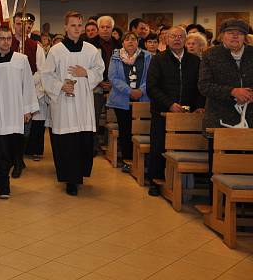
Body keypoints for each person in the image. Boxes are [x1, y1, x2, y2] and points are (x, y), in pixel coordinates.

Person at [41, 11, 104, 196]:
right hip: (64, 104)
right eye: (73, 25)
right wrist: (61, 86)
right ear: (66, 27)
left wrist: (86, 73)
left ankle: (79, 176)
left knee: (82, 141)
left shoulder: (91, 50)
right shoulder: (56, 50)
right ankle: (69, 179)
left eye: (79, 25)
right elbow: (46, 74)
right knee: (67, 143)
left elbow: (99, 70)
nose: (77, 28)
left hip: (83, 102)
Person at [0, 25, 38, 198]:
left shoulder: (21, 60)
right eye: (2, 38)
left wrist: (27, 109)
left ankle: (2, 176)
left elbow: (28, 86)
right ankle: (3, 184)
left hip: (15, 112)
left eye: (8, 38)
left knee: (12, 151)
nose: (5, 42)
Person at [146, 25, 204, 196]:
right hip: (163, 112)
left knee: (187, 146)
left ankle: (184, 183)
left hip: (188, 115)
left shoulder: (195, 61)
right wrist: (169, 104)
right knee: (158, 147)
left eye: (180, 36)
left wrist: (200, 106)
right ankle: (155, 181)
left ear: (185, 39)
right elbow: (152, 87)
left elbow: (200, 87)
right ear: (166, 39)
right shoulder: (158, 60)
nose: (177, 39)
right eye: (173, 36)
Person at [106, 32, 152, 172]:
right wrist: (129, 91)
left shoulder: (147, 56)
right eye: (127, 39)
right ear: (123, 43)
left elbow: (151, 76)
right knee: (126, 130)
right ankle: (128, 160)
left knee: (142, 130)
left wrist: (141, 90)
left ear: (138, 42)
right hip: (121, 99)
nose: (131, 42)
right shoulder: (116, 56)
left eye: (134, 39)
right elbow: (113, 77)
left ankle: (142, 161)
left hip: (142, 98)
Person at [198, 18, 252, 130]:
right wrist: (232, 91)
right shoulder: (210, 54)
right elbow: (204, 86)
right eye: (230, 33)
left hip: (250, 120)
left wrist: (250, 94)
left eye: (240, 33)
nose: (235, 36)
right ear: (222, 36)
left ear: (245, 38)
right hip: (219, 119)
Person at [11, 12, 47, 168]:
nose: (21, 27)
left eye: (24, 24)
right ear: (14, 25)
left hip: (28, 91)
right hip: (10, 92)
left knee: (25, 128)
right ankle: (12, 154)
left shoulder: (35, 47)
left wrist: (27, 83)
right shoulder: (7, 43)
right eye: (18, 24)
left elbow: (42, 71)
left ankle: (20, 156)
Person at [89, 15, 120, 156]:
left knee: (116, 118)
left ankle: (112, 147)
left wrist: (113, 83)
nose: (105, 30)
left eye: (108, 27)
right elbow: (88, 67)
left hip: (115, 87)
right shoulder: (90, 45)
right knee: (93, 117)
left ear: (112, 29)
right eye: (102, 27)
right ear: (98, 28)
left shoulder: (119, 45)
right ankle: (93, 147)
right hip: (96, 86)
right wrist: (99, 81)